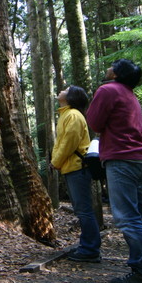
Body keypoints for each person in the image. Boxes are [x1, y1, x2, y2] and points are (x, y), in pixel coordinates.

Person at [87, 59, 142, 283]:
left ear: (116, 73)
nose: (107, 67)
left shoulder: (108, 90)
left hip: (121, 161)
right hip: (140, 160)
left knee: (128, 218)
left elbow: (94, 122)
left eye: (111, 65)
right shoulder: (131, 95)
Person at [50, 85, 101, 263]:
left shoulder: (73, 115)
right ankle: (88, 246)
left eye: (66, 89)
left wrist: (55, 162)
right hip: (72, 168)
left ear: (71, 97)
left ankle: (91, 249)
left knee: (83, 210)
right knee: (82, 209)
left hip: (78, 168)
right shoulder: (67, 114)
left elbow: (68, 143)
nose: (62, 90)